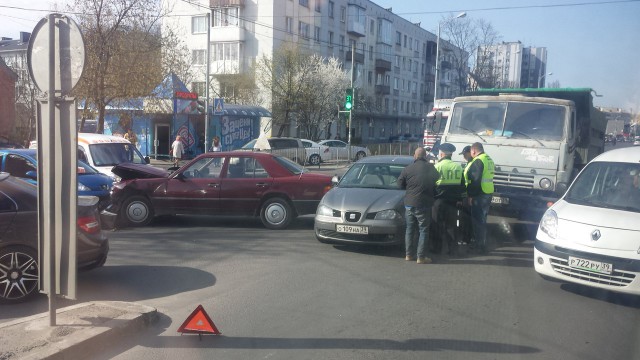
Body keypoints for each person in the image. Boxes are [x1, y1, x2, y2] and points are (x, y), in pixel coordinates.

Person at [398, 147, 440, 264]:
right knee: (423, 230)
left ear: (415, 156)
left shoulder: (408, 168)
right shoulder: (430, 168)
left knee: (409, 229)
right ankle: (421, 257)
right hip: (424, 204)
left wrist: (409, 187)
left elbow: (399, 184)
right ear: (425, 156)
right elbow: (437, 178)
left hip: (409, 204)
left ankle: (408, 255)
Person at [431, 143, 465, 257]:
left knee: (437, 225)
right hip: (453, 201)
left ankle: (437, 248)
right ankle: (452, 249)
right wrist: (460, 199)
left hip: (438, 201)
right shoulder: (458, 167)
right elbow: (462, 185)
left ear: (441, 154)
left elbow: (431, 184)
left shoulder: (437, 166)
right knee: (452, 226)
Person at [464, 142, 495, 254]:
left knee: (477, 221)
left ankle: (479, 246)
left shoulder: (478, 160)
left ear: (473, 151)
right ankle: (481, 243)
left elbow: (475, 180)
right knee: (482, 219)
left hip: (479, 194)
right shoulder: (489, 159)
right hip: (488, 192)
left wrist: (471, 195)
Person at [458, 145, 474, 245]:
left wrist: (470, 196)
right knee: (466, 217)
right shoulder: (469, 163)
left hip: (468, 195)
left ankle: (466, 239)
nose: (463, 156)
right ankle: (468, 237)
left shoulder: (473, 164)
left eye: (464, 154)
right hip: (467, 194)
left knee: (466, 218)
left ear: (469, 153)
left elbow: (473, 181)